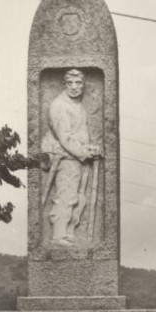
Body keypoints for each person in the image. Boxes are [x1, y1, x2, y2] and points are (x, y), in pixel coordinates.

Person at [41, 68, 102, 246]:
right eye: (70, 83)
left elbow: (78, 134)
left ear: (83, 85)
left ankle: (67, 232)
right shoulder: (59, 105)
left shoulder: (77, 105)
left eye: (78, 83)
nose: (75, 87)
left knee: (78, 197)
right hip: (64, 157)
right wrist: (84, 152)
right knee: (66, 195)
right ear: (64, 85)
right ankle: (58, 236)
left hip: (76, 156)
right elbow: (64, 137)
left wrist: (88, 147)